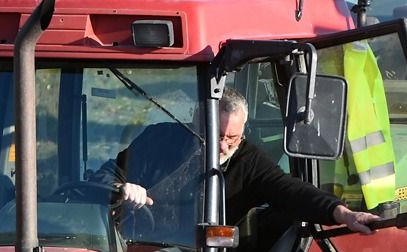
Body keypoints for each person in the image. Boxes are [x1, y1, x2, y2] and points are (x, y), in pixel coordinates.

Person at [97, 87, 379, 236]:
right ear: (196, 121)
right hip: (136, 245)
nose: (222, 146)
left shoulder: (249, 162)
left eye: (232, 138)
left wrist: (343, 214)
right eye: (214, 135)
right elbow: (107, 174)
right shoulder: (159, 139)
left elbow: (289, 191)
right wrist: (123, 188)